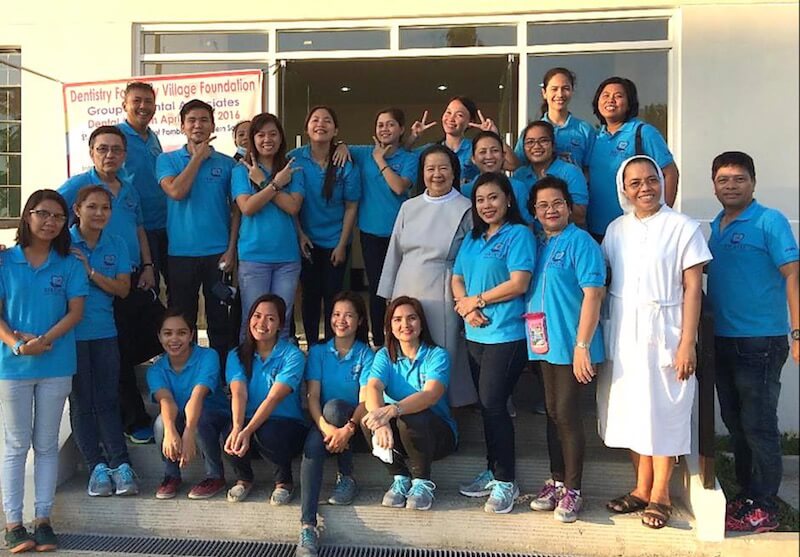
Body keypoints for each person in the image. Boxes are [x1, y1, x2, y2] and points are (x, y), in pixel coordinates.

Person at [597, 155, 711, 530]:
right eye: (635, 182)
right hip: (625, 330)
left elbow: (693, 286)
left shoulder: (683, 227)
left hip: (667, 327)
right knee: (632, 412)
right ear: (624, 188)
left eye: (651, 179)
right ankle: (641, 488)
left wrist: (687, 343)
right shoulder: (616, 229)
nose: (644, 188)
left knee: (664, 411)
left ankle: (661, 493)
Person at [705, 151, 800, 533]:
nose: (730, 185)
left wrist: (797, 332)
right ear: (714, 184)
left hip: (760, 341)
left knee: (759, 425)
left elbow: (793, 275)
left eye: (738, 179)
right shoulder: (717, 224)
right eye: (723, 179)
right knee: (735, 422)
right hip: (723, 340)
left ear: (753, 182)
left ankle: (765, 505)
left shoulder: (769, 221)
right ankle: (746, 495)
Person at [0, 190, 88, 553]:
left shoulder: (69, 264)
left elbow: (75, 311)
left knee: (47, 444)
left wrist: (43, 341)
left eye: (57, 216)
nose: (50, 222)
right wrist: (17, 344)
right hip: (13, 366)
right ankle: (13, 523)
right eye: (43, 214)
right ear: (27, 216)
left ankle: (43, 520)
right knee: (16, 445)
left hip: (56, 363)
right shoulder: (5, 262)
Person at [59, 125, 157, 444]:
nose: (110, 155)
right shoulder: (79, 185)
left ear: (124, 155)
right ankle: (132, 420)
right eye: (103, 149)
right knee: (116, 350)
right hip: (92, 286)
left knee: (162, 328)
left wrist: (148, 265)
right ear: (91, 152)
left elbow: (140, 229)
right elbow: (46, 214)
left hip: (127, 277)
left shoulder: (128, 189)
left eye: (116, 149)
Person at [524, 177, 605, 523]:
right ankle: (557, 480)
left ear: (569, 207)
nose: (550, 210)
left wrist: (582, 346)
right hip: (545, 344)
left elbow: (593, 293)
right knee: (553, 413)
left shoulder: (581, 243)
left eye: (556, 203)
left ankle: (573, 489)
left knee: (568, 415)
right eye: (542, 206)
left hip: (572, 345)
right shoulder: (541, 244)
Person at [452, 172, 534, 514]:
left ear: (509, 200)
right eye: (480, 199)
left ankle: (506, 481)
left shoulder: (519, 235)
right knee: (487, 406)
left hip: (506, 334)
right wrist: (464, 306)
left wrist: (478, 301)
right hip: (475, 334)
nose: (487, 205)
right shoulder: (472, 238)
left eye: (494, 198)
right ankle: (492, 468)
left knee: (494, 403)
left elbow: (519, 283)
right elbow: (456, 277)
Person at [378, 144, 476, 406]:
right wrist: (389, 295)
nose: (437, 174)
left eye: (443, 168)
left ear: (454, 172)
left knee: (443, 349)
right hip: (405, 284)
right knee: (405, 344)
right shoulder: (409, 207)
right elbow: (394, 252)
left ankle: (443, 407)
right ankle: (403, 399)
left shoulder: (466, 208)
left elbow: (470, 258)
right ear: (422, 173)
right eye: (430, 168)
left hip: (443, 288)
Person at [68, 186, 140, 498]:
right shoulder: (63, 242)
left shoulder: (117, 243)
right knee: (82, 402)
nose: (99, 213)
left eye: (105, 208)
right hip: (69, 335)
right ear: (77, 209)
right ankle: (96, 466)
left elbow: (122, 290)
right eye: (92, 207)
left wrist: (90, 271)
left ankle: (121, 465)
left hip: (105, 332)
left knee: (108, 400)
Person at [156, 99, 239, 368]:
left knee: (219, 320)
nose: (198, 125)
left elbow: (237, 209)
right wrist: (197, 159)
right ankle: (185, 372)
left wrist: (231, 248)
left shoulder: (227, 165)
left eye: (204, 120)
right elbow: (177, 192)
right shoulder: (167, 160)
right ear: (182, 126)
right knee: (183, 319)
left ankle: (220, 375)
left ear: (213, 125)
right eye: (192, 120)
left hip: (217, 254)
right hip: (180, 253)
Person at [361, 296, 457, 511]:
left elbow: (431, 395)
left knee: (411, 415)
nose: (405, 325)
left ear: (421, 323)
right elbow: (373, 387)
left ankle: (422, 482)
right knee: (367, 419)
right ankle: (400, 477)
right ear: (389, 326)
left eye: (411, 318)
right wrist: (382, 421)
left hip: (435, 435)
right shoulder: (385, 355)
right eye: (397, 320)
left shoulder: (437, 355)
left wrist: (392, 410)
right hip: (398, 436)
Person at [297, 292, 375, 557]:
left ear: (360, 321)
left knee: (336, 407)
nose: (341, 320)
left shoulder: (367, 354)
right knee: (311, 446)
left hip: (356, 427)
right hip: (325, 425)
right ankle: (308, 527)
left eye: (349, 315)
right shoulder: (318, 352)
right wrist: (327, 428)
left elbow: (365, 401)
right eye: (336, 314)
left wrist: (347, 429)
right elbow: (312, 397)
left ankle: (347, 475)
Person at [339, 108, 418, 346]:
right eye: (380, 124)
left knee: (401, 289)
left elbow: (399, 187)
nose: (385, 129)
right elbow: (339, 147)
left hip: (401, 234)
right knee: (377, 288)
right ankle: (380, 342)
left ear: (401, 129)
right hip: (371, 233)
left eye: (391, 124)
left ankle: (402, 338)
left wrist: (380, 160)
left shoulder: (409, 158)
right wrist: (342, 145)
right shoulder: (363, 152)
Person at [224, 294, 309, 505]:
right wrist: (237, 428)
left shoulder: (293, 355)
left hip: (287, 427)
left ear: (281, 324)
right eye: (257, 316)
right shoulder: (236, 355)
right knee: (227, 433)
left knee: (268, 431)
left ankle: (284, 482)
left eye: (270, 318)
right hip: (250, 426)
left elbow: (273, 398)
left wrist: (247, 430)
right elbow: (239, 391)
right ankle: (244, 479)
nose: (262, 323)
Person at [290, 106, 361, 345]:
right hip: (306, 241)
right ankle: (311, 346)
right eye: (315, 120)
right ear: (307, 127)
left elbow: (352, 206)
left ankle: (334, 347)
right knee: (309, 297)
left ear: (335, 129)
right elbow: (290, 203)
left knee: (335, 299)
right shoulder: (295, 158)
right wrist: (299, 235)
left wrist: (342, 244)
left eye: (327, 121)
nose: (321, 124)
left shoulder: (345, 160)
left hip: (336, 242)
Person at [147, 307, 232, 500]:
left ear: (191, 334)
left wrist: (188, 433)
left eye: (181, 333)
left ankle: (215, 476)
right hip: (180, 414)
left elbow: (197, 397)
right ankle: (171, 476)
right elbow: (166, 401)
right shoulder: (156, 369)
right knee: (162, 423)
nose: (174, 339)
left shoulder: (208, 356)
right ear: (159, 336)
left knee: (200, 417)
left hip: (213, 414)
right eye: (167, 333)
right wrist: (170, 431)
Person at [232, 112, 303, 340]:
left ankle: (281, 373)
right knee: (253, 320)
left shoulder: (292, 169)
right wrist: (274, 185)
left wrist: (264, 182)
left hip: (287, 258)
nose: (267, 139)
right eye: (261, 134)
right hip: (253, 256)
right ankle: (248, 372)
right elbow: (248, 207)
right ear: (252, 139)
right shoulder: (241, 170)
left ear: (281, 138)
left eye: (273, 134)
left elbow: (293, 207)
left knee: (281, 320)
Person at [587, 77, 679, 239]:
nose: (611, 100)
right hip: (596, 230)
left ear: (629, 103)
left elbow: (670, 172)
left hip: (636, 228)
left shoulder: (643, 133)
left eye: (618, 96)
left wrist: (664, 215)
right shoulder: (595, 137)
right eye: (605, 95)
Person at [117, 81, 168, 292]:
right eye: (136, 101)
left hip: (163, 224)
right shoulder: (117, 136)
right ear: (124, 105)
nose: (143, 106)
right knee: (146, 290)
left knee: (174, 287)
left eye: (148, 101)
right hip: (138, 228)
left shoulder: (153, 137)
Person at [406, 97, 515, 188]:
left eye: (459, 115)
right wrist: (413, 136)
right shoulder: (432, 150)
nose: (451, 118)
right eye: (448, 112)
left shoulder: (476, 148)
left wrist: (495, 136)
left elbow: (512, 165)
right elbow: (404, 157)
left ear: (470, 122)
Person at [511, 67, 596, 170]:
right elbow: (517, 164)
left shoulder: (585, 130)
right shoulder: (532, 131)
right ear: (544, 93)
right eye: (554, 89)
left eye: (565, 88)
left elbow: (590, 169)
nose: (560, 94)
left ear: (572, 91)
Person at [512, 121, 589, 228]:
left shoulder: (570, 172)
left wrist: (553, 190)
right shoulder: (519, 175)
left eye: (543, 141)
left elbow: (580, 217)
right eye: (530, 142)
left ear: (553, 146)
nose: (536, 146)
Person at [461, 131, 534, 225]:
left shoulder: (518, 187)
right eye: (482, 152)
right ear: (473, 159)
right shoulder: (465, 190)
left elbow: (527, 224)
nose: (489, 156)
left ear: (503, 156)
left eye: (495, 151)